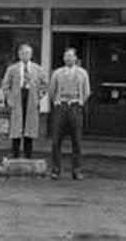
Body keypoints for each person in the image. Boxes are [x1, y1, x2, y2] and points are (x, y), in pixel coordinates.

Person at [48, 47, 91, 180]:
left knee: (77, 141)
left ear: (75, 58)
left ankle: (76, 170)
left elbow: (87, 91)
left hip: (75, 107)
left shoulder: (82, 73)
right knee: (56, 141)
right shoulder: (57, 73)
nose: (68, 59)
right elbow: (51, 90)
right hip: (61, 107)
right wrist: (57, 101)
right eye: (66, 56)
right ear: (63, 58)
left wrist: (79, 102)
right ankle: (56, 170)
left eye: (71, 56)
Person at [1, 43, 48, 159]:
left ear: (31, 55)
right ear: (19, 54)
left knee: (29, 127)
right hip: (17, 97)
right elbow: (5, 85)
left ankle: (28, 154)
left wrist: (39, 96)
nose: (25, 55)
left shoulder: (38, 69)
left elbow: (45, 84)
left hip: (31, 98)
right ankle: (15, 153)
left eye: (28, 53)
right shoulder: (12, 68)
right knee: (16, 127)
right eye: (23, 53)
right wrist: (9, 98)